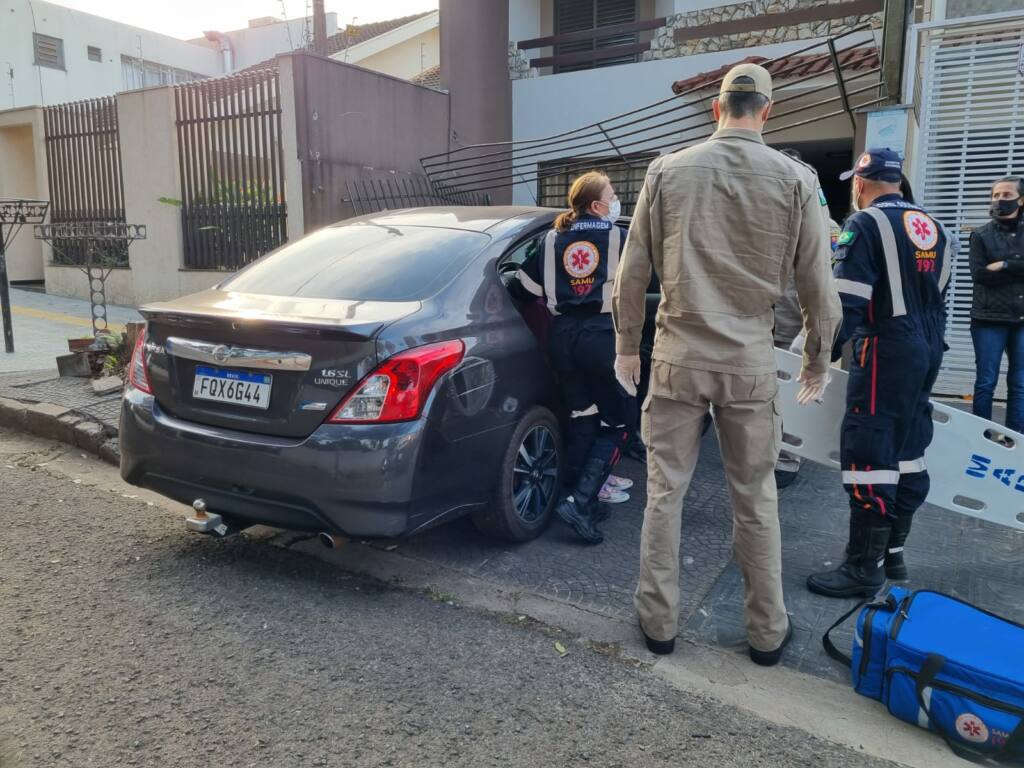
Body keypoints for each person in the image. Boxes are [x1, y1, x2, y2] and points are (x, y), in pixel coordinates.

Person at [613, 64, 841, 665]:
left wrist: (625, 346)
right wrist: (818, 356)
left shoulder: (667, 170)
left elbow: (631, 272)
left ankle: (657, 622)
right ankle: (766, 633)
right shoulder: (796, 179)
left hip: (677, 358)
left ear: (717, 109)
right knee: (755, 496)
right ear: (767, 111)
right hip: (748, 360)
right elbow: (817, 281)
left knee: (664, 493)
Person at [806, 148, 953, 598]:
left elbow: (846, 301)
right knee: (909, 446)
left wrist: (818, 357)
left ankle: (861, 567)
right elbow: (940, 298)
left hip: (885, 348)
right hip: (927, 348)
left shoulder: (864, 223)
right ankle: (894, 552)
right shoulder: (937, 228)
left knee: (870, 447)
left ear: (861, 183)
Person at [510, 171, 636, 544]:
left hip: (562, 337)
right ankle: (580, 503)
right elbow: (648, 279)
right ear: (598, 206)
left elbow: (520, 289)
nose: (616, 201)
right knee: (621, 422)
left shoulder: (549, 241)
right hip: (602, 337)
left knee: (583, 415)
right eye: (612, 195)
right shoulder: (619, 237)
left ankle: (580, 495)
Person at [774, 147, 842, 490]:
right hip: (768, 322)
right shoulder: (773, 219)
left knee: (792, 393)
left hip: (798, 325)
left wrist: (811, 332)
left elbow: (830, 285)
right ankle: (768, 450)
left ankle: (787, 458)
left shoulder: (826, 227)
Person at [968, 176, 1024, 435]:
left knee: (1020, 383)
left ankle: (1017, 439)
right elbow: (980, 275)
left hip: (1021, 319)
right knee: (985, 382)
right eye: (996, 195)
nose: (1000, 199)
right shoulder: (980, 235)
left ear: (1020, 199)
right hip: (988, 319)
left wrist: (1004, 264)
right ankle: (982, 436)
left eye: (1006, 194)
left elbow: (993, 271)